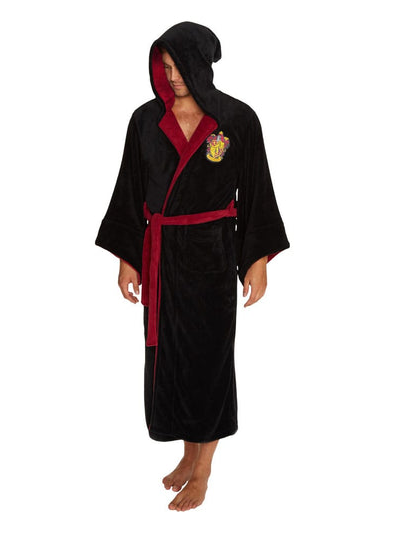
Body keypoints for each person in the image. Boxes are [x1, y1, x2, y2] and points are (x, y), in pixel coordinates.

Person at [95, 21, 290, 512]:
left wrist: (257, 260)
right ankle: (187, 455)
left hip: (211, 257)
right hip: (162, 259)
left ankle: (203, 471)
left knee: (209, 363)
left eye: (180, 66)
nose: (172, 76)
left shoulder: (237, 119)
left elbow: (257, 191)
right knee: (174, 362)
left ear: (202, 65)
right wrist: (127, 259)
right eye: (165, 66)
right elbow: (128, 190)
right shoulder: (145, 120)